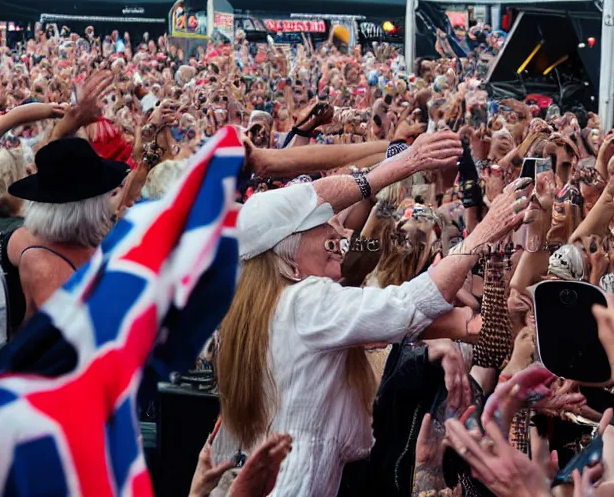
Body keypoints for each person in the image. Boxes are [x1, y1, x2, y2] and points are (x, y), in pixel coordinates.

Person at [212, 131, 529, 495]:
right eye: (323, 230)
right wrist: (483, 234)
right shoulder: (305, 304)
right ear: (289, 261)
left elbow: (471, 333)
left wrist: (401, 166)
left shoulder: (268, 302)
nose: (340, 234)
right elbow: (410, 303)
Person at [6, 137, 129, 323]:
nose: (111, 198)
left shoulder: (72, 238)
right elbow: (87, 333)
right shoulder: (44, 265)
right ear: (91, 206)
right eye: (108, 194)